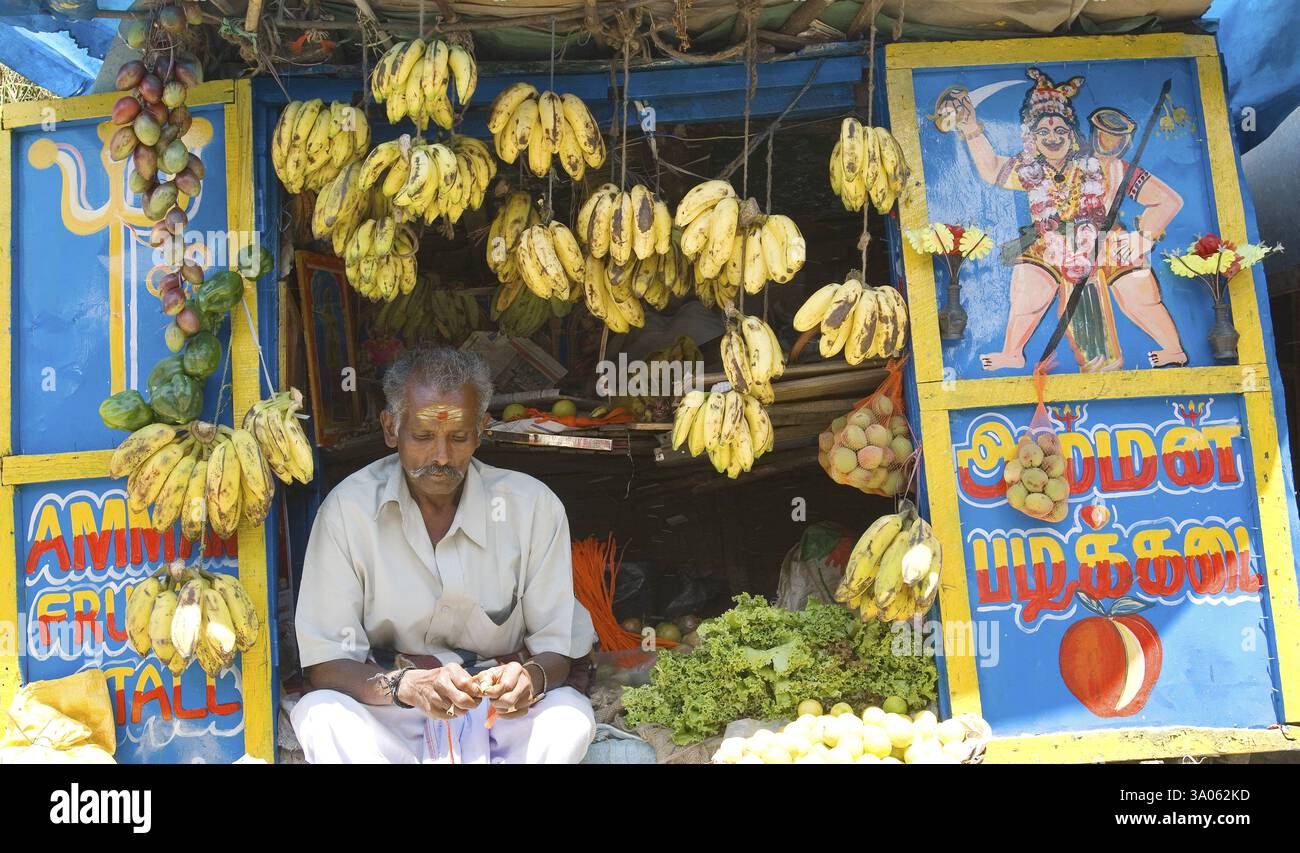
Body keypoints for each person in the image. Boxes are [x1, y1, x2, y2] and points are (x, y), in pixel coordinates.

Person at [290, 345, 598, 763]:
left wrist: (529, 678)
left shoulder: (533, 508)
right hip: (391, 707)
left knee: (569, 720)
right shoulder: (348, 511)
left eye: (457, 437)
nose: (440, 456)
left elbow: (558, 648)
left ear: (482, 430)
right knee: (320, 716)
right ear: (389, 428)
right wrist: (405, 686)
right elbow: (325, 664)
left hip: (501, 715)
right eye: (421, 436)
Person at [950, 68, 1186, 372]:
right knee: (1028, 285)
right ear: (1031, 139)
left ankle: (1174, 349)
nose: (1052, 138)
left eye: (1060, 131)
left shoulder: (1103, 167)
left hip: (1105, 238)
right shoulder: (1029, 170)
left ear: (1072, 135)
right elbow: (992, 169)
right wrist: (971, 128)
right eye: (1044, 133)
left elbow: (1168, 200)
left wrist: (1143, 237)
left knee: (1138, 288)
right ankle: (1012, 352)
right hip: (1049, 241)